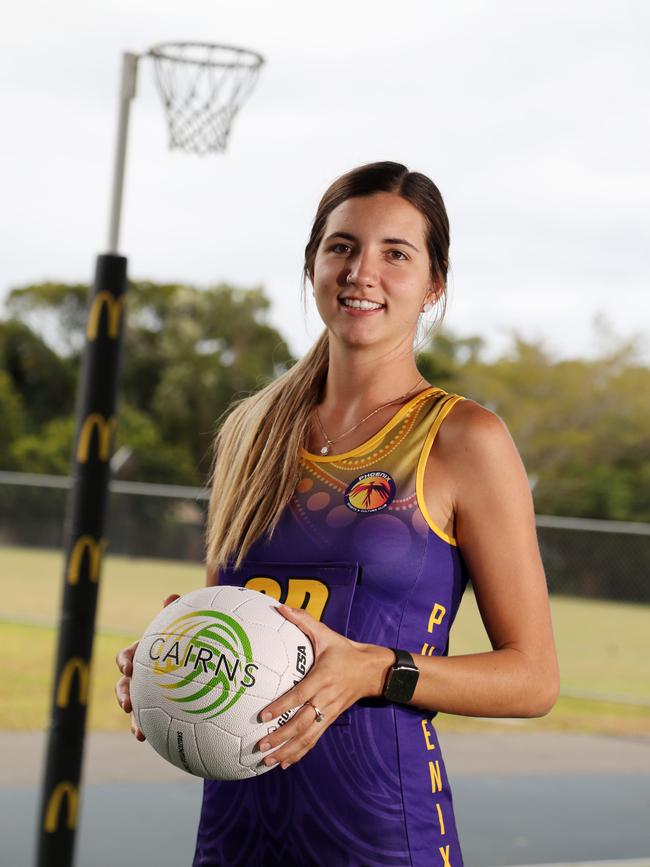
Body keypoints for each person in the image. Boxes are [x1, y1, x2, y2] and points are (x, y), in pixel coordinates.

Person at [116, 160, 559, 866]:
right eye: (342, 246)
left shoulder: (463, 439)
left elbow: (534, 677)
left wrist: (375, 669)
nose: (362, 272)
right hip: (237, 832)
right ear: (313, 264)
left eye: (396, 253)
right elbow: (235, 619)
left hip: (382, 832)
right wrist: (171, 658)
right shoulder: (251, 431)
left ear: (434, 284)